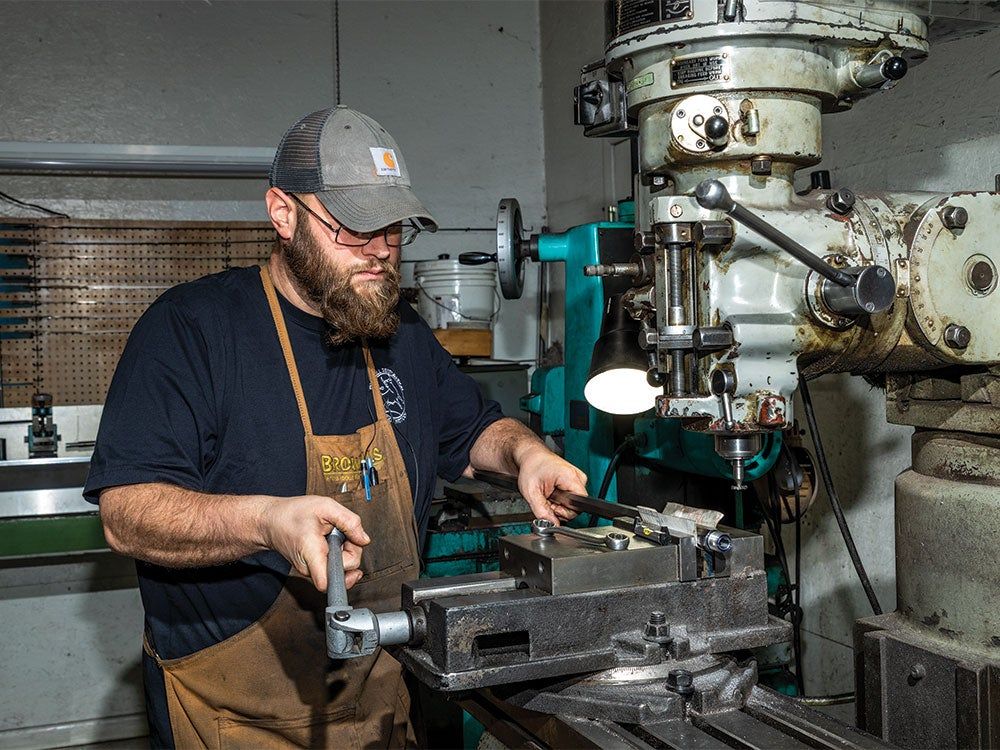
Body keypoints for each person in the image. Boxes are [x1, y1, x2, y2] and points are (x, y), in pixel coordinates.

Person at [84, 105, 587, 749]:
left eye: (394, 228)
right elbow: (128, 512)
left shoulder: (400, 333)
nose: (380, 249)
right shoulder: (192, 330)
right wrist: (266, 523)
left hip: (378, 696)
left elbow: (473, 432)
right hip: (236, 718)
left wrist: (526, 457)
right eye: (353, 226)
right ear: (283, 212)